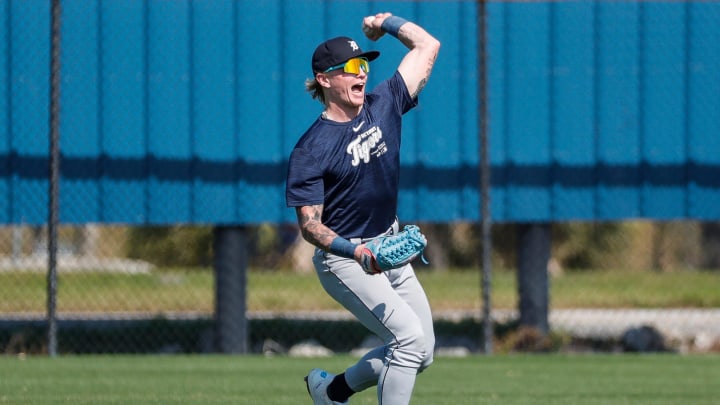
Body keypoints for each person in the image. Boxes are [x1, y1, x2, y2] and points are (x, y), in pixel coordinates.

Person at [285, 12, 441, 405]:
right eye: (352, 67)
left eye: (365, 65)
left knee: (420, 353)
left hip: (390, 248)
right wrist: (355, 251)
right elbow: (310, 227)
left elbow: (428, 46)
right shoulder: (310, 149)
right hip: (346, 259)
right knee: (407, 340)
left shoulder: (384, 104)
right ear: (324, 79)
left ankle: (331, 391)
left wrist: (386, 21)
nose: (362, 73)